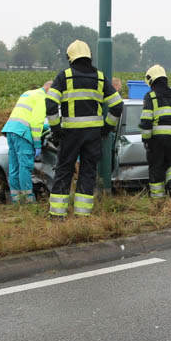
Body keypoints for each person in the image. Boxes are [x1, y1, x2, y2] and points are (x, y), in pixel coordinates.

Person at [44, 40, 124, 219]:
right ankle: (82, 216)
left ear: (70, 58)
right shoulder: (100, 78)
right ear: (89, 56)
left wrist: (56, 129)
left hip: (70, 134)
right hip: (93, 135)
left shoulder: (65, 76)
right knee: (88, 173)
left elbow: (50, 103)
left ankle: (57, 215)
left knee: (64, 171)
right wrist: (106, 128)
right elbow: (117, 106)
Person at [140, 65, 171, 199]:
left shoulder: (151, 96)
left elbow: (146, 121)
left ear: (151, 80)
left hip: (157, 139)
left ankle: (158, 198)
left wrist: (146, 140)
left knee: (156, 167)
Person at [2, 81, 51, 203]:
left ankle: (16, 200)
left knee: (14, 167)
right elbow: (35, 124)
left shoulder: (29, 93)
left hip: (11, 130)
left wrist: (46, 127)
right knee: (25, 167)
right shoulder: (42, 98)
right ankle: (28, 201)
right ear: (50, 90)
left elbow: (26, 116)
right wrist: (37, 144)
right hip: (22, 134)